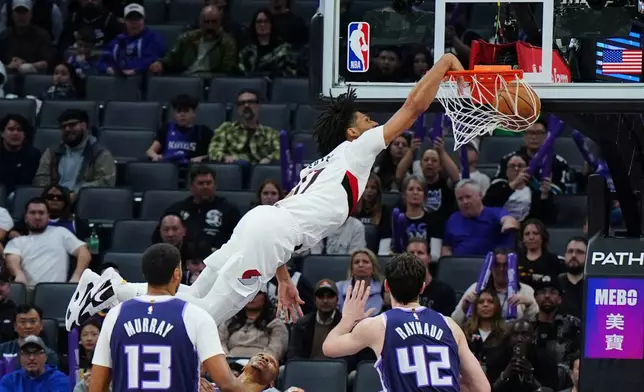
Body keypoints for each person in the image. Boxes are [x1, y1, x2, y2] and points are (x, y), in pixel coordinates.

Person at [66, 53, 466, 331]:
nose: (373, 121)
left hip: (263, 222)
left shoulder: (323, 166)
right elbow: (413, 107)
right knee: (205, 316)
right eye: (365, 118)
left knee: (190, 293)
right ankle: (112, 287)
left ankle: (106, 286)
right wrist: (445, 63)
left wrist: (284, 279)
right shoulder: (359, 147)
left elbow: (283, 217)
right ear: (352, 131)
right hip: (272, 231)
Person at [322, 253, 490, 392]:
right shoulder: (450, 325)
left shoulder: (378, 325)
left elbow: (329, 348)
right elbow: (482, 388)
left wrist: (347, 320)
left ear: (387, 286)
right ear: (422, 287)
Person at [89, 243, 245, 392]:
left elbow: (97, 385)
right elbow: (227, 384)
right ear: (177, 274)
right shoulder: (196, 315)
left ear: (144, 274)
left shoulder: (115, 315)